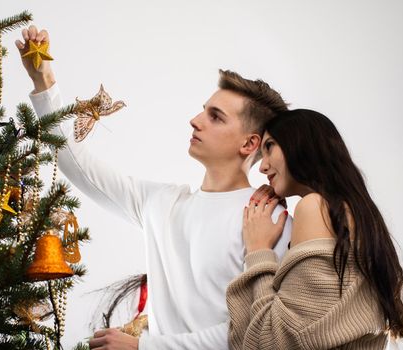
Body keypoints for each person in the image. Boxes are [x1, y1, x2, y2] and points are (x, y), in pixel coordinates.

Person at [16, 26, 292, 350]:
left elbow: (257, 332)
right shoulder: (163, 203)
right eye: (203, 109)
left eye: (215, 117)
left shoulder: (268, 219)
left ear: (249, 143)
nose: (195, 120)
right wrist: (43, 81)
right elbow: (78, 166)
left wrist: (142, 347)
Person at [227, 109, 403, 349]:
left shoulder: (314, 206)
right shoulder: (360, 214)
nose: (262, 167)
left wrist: (258, 250)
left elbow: (273, 341)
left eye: (270, 147)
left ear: (301, 143)